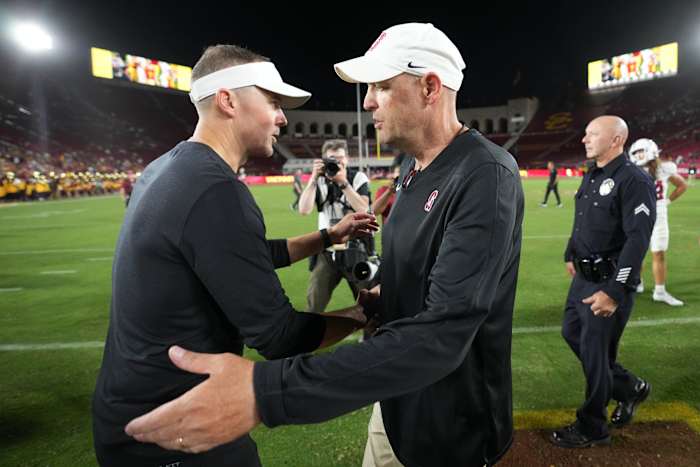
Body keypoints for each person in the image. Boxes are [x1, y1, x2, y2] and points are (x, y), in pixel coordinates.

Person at [125, 23, 524, 467]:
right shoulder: (414, 170)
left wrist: (265, 392)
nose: (369, 100)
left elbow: (443, 336)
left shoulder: (486, 175)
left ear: (430, 87)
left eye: (381, 86)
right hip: (395, 399)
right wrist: (379, 301)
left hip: (450, 423)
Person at [92, 44, 377, 467]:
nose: (282, 117)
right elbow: (279, 336)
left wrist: (326, 237)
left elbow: (239, 256)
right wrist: (363, 315)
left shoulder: (165, 168)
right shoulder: (216, 189)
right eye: (272, 102)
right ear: (228, 100)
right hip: (176, 425)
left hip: (133, 414)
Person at [552, 116, 656, 448]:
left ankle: (592, 426)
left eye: (592, 134)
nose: (584, 139)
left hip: (609, 282)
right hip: (583, 279)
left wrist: (614, 291)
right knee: (572, 333)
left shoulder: (633, 180)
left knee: (596, 354)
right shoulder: (594, 174)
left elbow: (638, 240)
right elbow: (583, 218)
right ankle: (629, 388)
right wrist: (571, 252)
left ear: (616, 140)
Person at [297, 139, 370, 313]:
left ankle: (373, 338)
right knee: (314, 305)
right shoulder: (321, 181)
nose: (337, 162)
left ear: (348, 159)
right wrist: (314, 178)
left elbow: (364, 209)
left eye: (340, 158)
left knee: (369, 303)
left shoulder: (357, 177)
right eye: (332, 159)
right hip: (327, 251)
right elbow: (304, 210)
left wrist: (343, 183)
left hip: (355, 249)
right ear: (324, 160)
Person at [629, 138, 688, 306]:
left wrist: (667, 201)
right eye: (636, 152)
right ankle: (637, 282)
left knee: (658, 252)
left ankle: (660, 291)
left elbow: (682, 185)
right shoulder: (632, 170)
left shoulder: (664, 168)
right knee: (636, 252)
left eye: (641, 151)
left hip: (659, 214)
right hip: (637, 214)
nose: (639, 155)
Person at [371, 154, 406, 224]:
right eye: (398, 171)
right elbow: (374, 211)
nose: (402, 174)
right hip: (391, 233)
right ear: (393, 173)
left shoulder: (415, 189)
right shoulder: (384, 190)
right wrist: (389, 192)